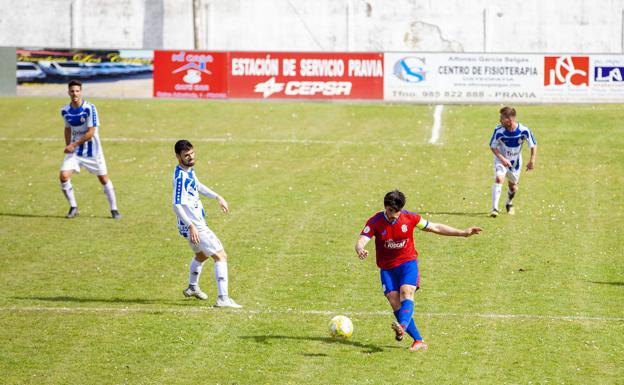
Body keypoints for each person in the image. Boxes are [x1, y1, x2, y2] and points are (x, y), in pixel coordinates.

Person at [355, 190, 482, 352]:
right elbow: (362, 240)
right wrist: (360, 249)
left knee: (406, 292)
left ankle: (402, 326)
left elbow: (434, 227)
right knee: (394, 301)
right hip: (387, 268)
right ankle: (418, 340)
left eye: (397, 212)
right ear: (386, 207)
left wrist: (462, 233)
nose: (394, 215)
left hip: (407, 263)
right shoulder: (375, 221)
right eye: (391, 211)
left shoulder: (410, 218)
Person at [172, 139, 242, 308]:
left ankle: (192, 287)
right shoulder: (180, 177)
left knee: (202, 255)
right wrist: (191, 226)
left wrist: (217, 197)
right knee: (221, 256)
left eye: (192, 153)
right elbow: (176, 205)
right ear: (178, 156)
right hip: (195, 226)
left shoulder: (188, 171)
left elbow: (198, 186)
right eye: (186, 155)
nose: (190, 157)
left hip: (190, 226)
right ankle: (223, 298)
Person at [59, 79, 121, 219]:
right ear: (68, 92)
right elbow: (67, 128)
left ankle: (114, 209)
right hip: (75, 152)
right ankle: (73, 207)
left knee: (103, 179)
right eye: (72, 91)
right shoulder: (65, 111)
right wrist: (68, 144)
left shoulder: (89, 108)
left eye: (77, 91)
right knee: (63, 176)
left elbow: (91, 132)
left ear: (81, 92)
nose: (75, 93)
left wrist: (73, 145)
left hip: (93, 152)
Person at [489, 106, 537, 217]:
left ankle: (509, 203)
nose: (500, 120)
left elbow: (533, 145)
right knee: (499, 178)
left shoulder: (523, 130)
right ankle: (494, 208)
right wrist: (502, 159)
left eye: (502, 118)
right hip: (501, 159)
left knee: (513, 187)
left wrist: (532, 160)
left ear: (509, 120)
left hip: (515, 163)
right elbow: (493, 146)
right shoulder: (499, 131)